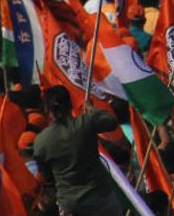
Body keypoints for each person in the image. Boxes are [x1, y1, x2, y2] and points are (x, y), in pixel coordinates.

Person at [33, 86, 121, 215]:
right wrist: (91, 108)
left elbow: (46, 175)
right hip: (101, 198)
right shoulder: (85, 123)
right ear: (70, 104)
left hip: (71, 204)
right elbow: (111, 121)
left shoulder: (41, 141)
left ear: (46, 109)